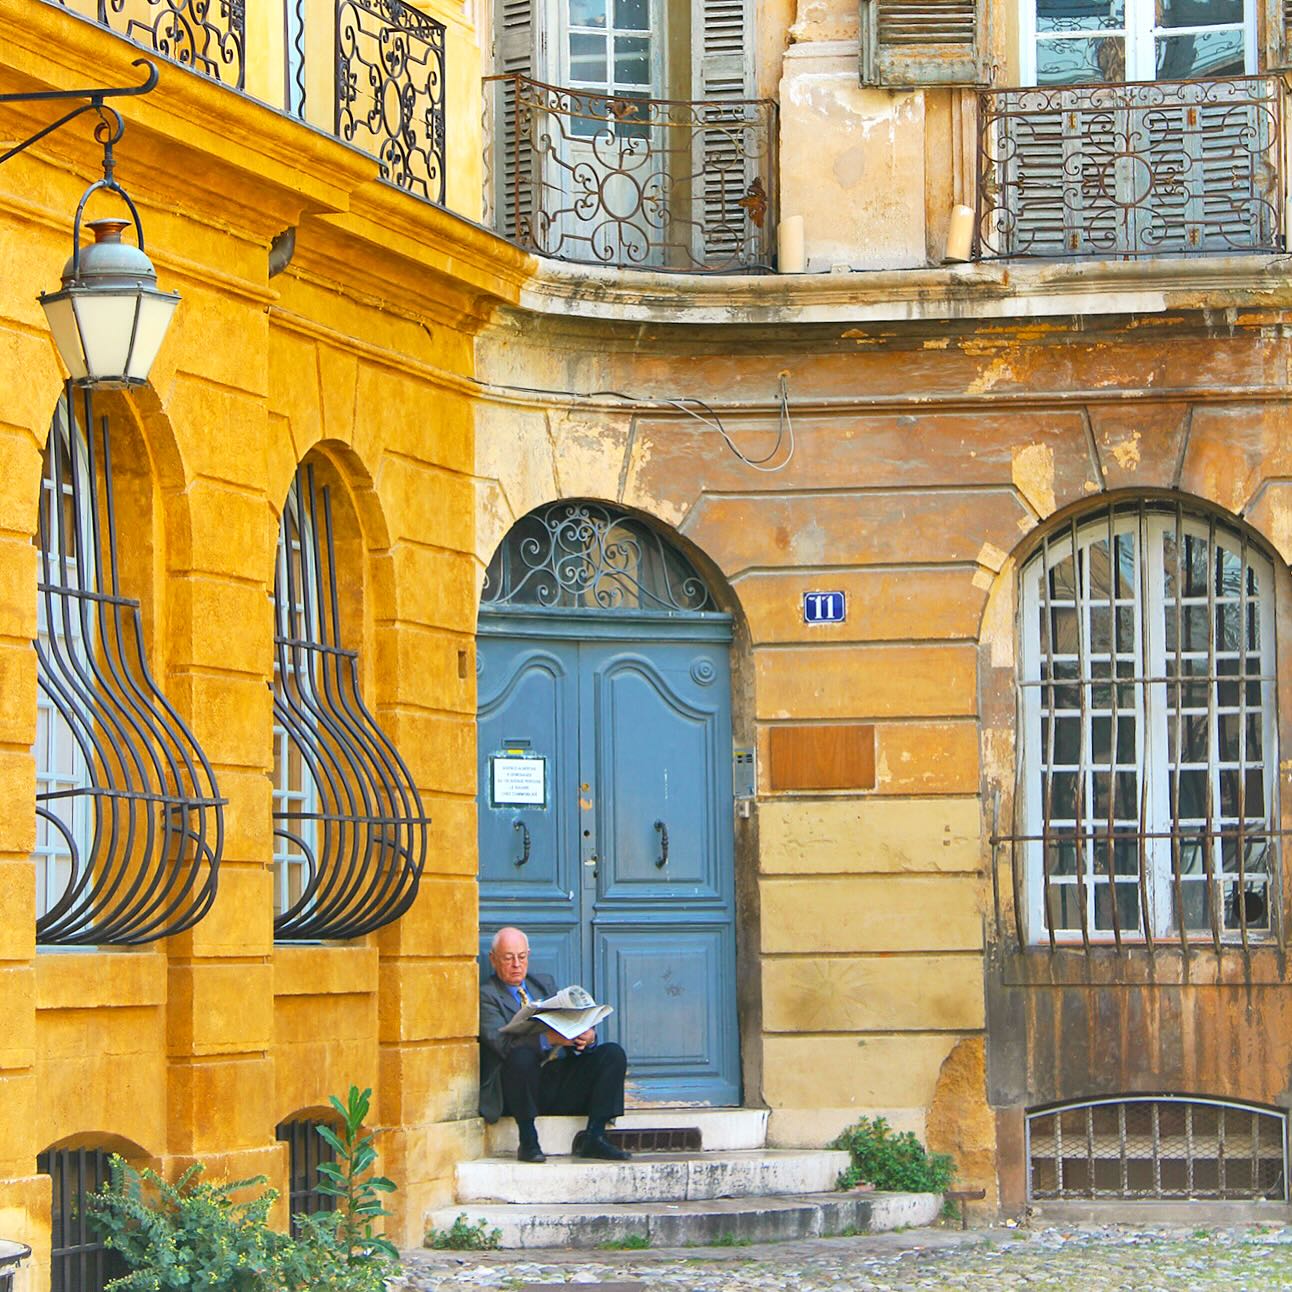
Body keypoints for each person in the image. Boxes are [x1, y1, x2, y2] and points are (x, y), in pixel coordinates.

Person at [479, 926, 631, 1163]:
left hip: (556, 1080)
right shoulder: (487, 995)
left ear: (528, 955)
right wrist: (550, 1039)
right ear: (493, 959)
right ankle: (528, 1141)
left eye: (521, 957)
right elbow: (501, 1045)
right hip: (518, 1088)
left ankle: (595, 1136)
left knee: (612, 1053)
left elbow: (568, 1022)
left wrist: (585, 1037)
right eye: (508, 958)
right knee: (521, 1056)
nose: (516, 964)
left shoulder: (543, 984)